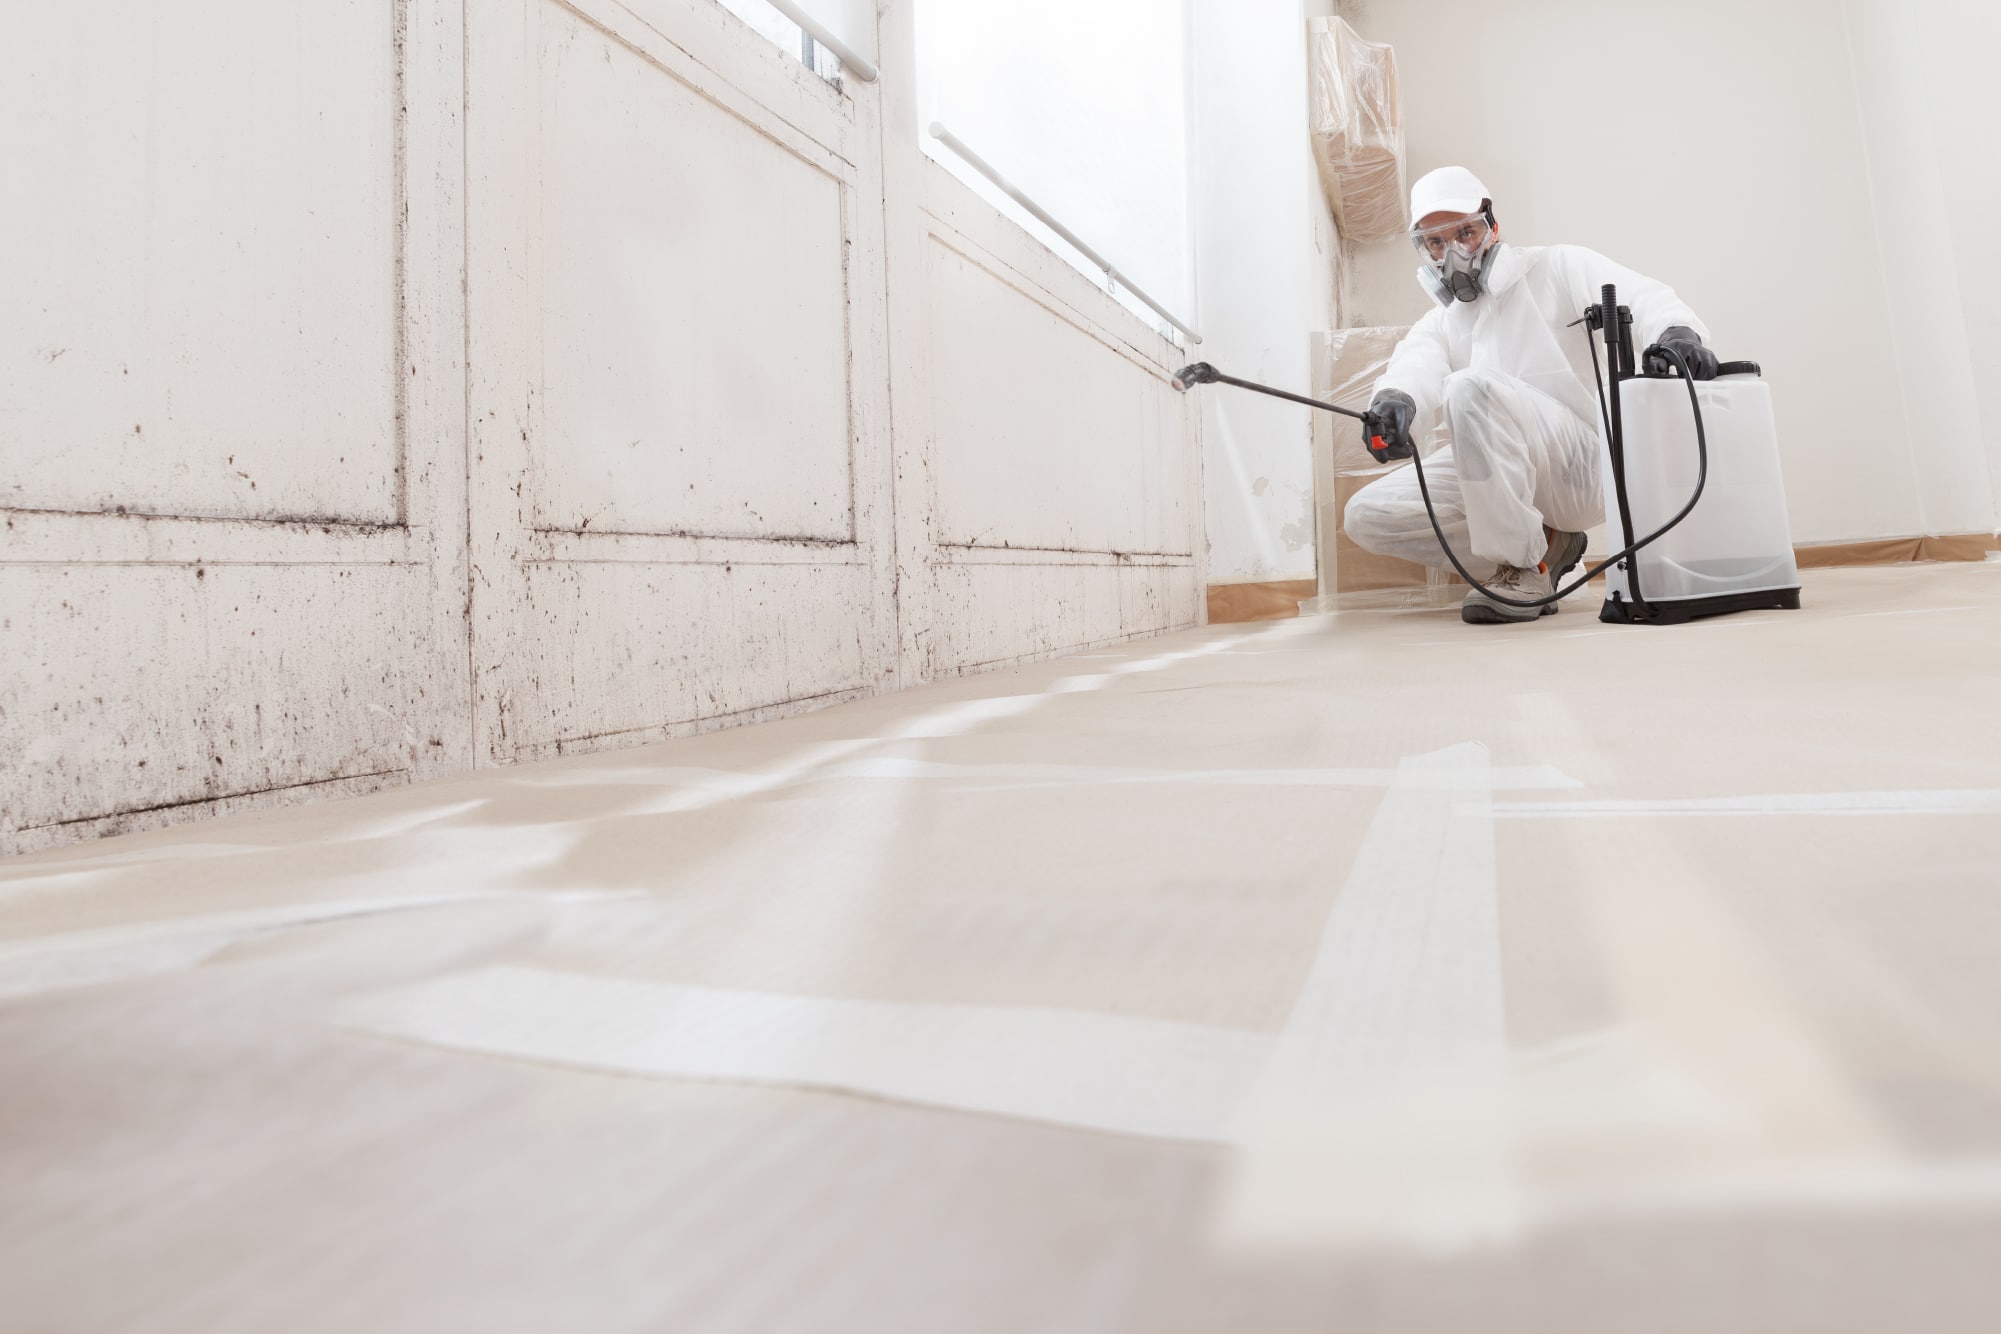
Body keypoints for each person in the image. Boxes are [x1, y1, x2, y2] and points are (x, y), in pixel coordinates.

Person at [1344, 166, 1718, 624]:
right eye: (1437, 242)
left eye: (1465, 232)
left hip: (1581, 465)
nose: (1454, 253)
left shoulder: (1556, 267)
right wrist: (1394, 403)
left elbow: (1644, 298)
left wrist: (1677, 332)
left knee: (1470, 385)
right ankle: (1543, 549)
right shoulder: (1442, 323)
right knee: (1367, 514)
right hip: (1498, 479)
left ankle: (1522, 567)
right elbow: (1413, 367)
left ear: (1492, 225)